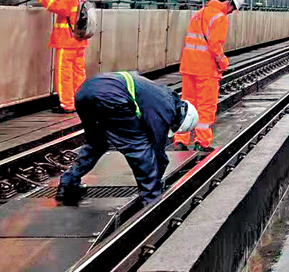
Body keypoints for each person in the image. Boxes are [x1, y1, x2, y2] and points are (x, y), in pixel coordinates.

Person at [56, 70, 198, 205]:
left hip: (84, 93)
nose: (169, 128)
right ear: (180, 120)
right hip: (111, 97)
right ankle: (152, 201)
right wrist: (157, 177)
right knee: (138, 147)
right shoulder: (166, 108)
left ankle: (68, 183)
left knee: (97, 144)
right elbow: (157, 147)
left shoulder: (162, 96)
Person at [173, 0, 244, 152]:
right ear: (229, 3)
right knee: (206, 106)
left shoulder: (199, 13)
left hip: (189, 66)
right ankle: (202, 142)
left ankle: (180, 140)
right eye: (233, 9)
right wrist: (223, 62)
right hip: (206, 69)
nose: (231, 13)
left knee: (186, 103)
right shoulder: (220, 18)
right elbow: (214, 45)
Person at [31, 0, 89, 113]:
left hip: (66, 42)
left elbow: (55, 6)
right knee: (79, 75)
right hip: (79, 42)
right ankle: (79, 102)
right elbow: (61, 1)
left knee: (64, 75)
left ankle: (67, 105)